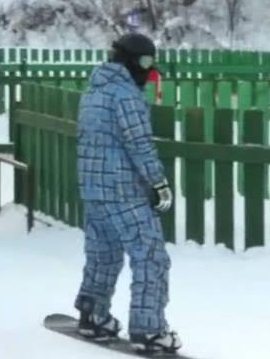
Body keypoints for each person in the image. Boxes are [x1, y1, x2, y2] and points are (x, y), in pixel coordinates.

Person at [72, 33, 181, 354]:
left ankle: (93, 315)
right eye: (146, 62)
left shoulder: (93, 92)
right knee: (150, 256)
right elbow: (139, 143)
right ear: (132, 61)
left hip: (94, 190)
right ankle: (149, 330)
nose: (149, 70)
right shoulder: (126, 96)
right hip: (124, 191)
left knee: (103, 255)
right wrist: (158, 183)